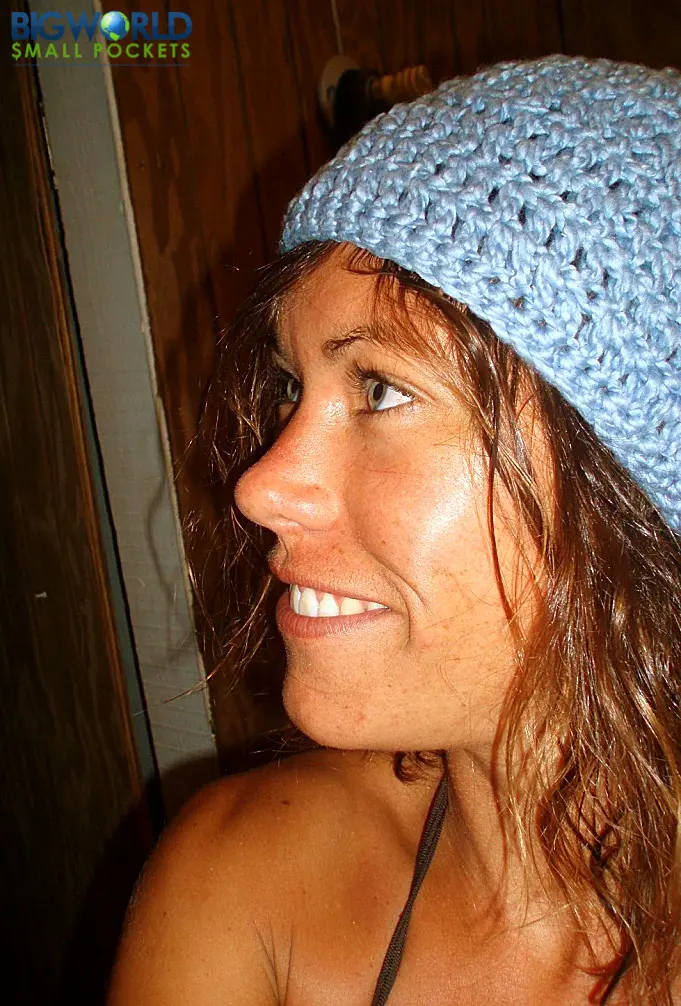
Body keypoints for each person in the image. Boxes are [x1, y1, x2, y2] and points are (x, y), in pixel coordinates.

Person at [107, 55, 681, 1005]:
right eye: (290, 386)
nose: (261, 488)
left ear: (627, 486)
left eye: (379, 389)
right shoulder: (247, 885)